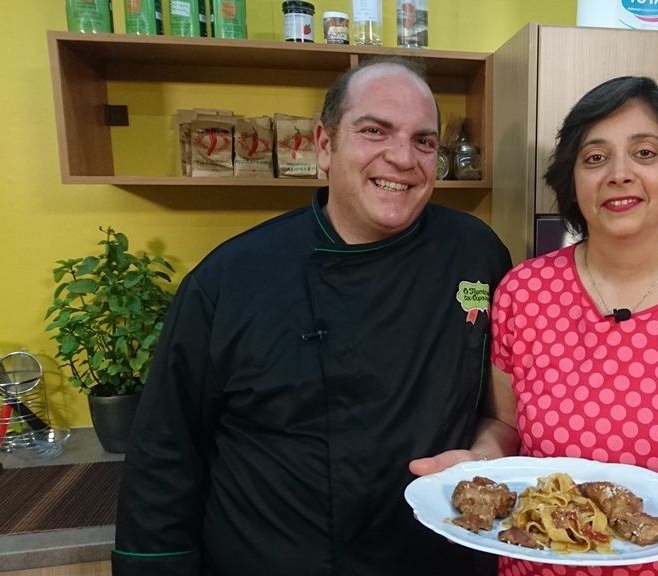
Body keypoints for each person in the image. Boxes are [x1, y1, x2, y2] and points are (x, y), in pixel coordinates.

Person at [113, 57, 512, 576]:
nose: (402, 158)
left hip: (435, 560)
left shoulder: (476, 253)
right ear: (325, 145)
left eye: (424, 141)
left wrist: (483, 460)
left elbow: (500, 412)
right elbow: (165, 450)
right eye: (374, 131)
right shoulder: (230, 278)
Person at [412, 76, 658, 575]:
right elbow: (506, 426)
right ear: (571, 180)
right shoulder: (524, 293)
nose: (619, 174)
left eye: (644, 153)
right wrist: (480, 466)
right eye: (595, 157)